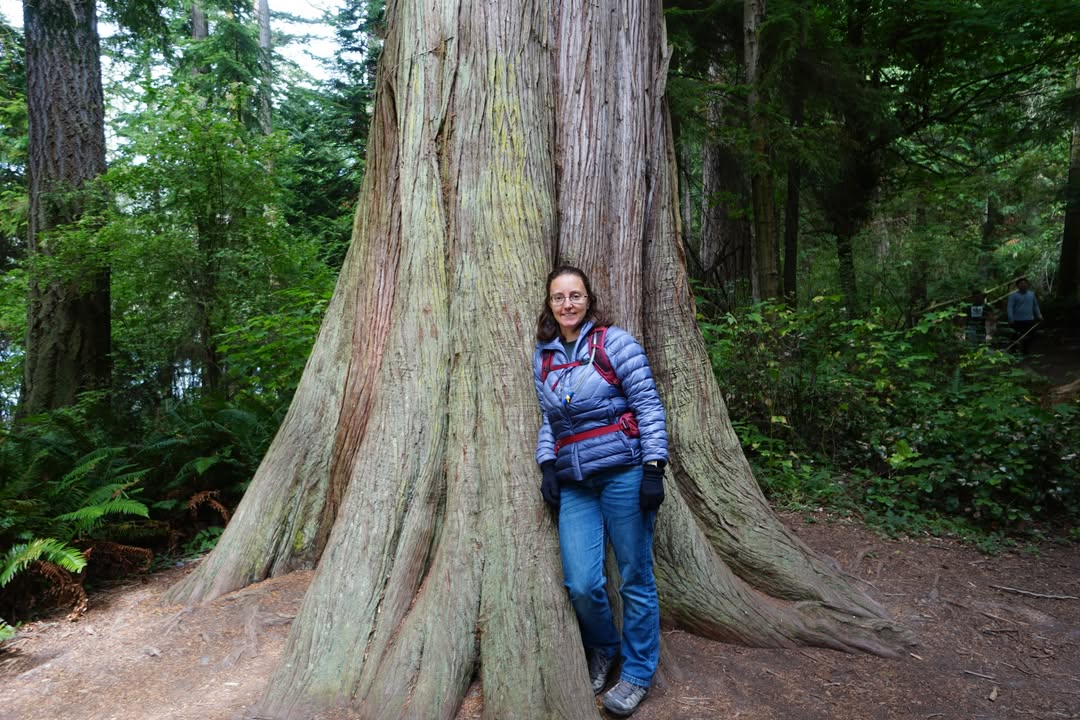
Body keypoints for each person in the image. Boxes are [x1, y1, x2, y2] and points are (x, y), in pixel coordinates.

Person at [532, 265, 667, 717]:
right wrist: (547, 464)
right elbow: (549, 417)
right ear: (549, 304)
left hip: (623, 472)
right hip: (575, 483)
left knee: (634, 576)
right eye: (558, 297)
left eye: (575, 295)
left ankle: (637, 671)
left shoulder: (615, 343)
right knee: (583, 582)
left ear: (589, 300)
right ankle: (605, 646)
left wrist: (654, 467)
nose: (567, 304)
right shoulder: (545, 356)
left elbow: (647, 403)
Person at [1007, 277, 1042, 354]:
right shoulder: (1013, 295)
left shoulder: (1032, 294)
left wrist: (1039, 315)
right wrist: (1010, 318)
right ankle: (1013, 351)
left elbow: (1035, 305)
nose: (1023, 285)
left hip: (1029, 319)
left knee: (1031, 335)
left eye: (1025, 283)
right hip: (1016, 320)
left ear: (1027, 285)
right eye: (1021, 284)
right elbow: (1010, 307)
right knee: (1015, 336)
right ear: (1017, 286)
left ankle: (1025, 350)